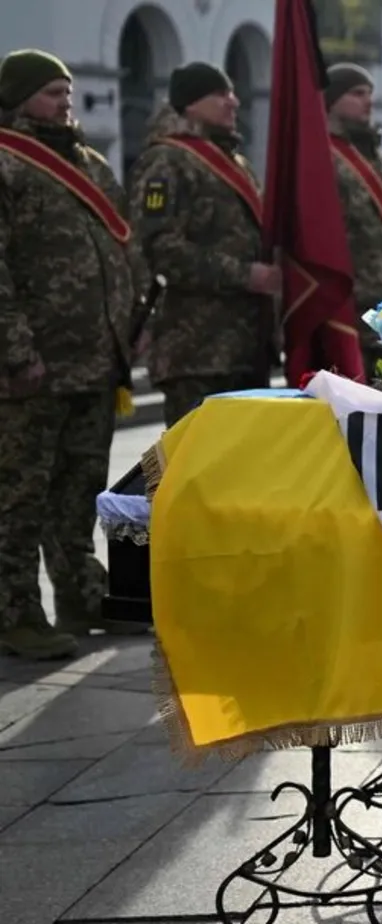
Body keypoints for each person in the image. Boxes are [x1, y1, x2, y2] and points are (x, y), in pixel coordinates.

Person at [0, 49, 143, 658]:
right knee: (19, 493)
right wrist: (15, 350)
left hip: (93, 359)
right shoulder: (8, 163)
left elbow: (120, 251)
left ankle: (82, 594)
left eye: (67, 89)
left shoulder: (88, 162)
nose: (65, 99)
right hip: (33, 365)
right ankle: (14, 613)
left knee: (77, 489)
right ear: (18, 98)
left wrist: (129, 332)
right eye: (51, 90)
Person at [129, 62, 281, 426]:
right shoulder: (166, 161)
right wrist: (245, 275)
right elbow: (159, 248)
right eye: (219, 94)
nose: (233, 102)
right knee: (194, 467)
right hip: (196, 350)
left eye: (231, 92)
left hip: (245, 346)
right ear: (190, 104)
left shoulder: (236, 163)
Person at [324, 64, 382, 376]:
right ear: (331, 101)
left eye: (370, 94)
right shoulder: (321, 157)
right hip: (347, 314)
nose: (368, 101)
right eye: (357, 93)